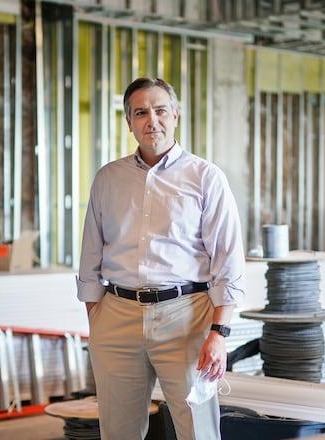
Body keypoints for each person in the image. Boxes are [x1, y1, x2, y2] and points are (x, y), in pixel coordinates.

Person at [76, 77, 246, 440]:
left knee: (197, 430)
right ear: (129, 122)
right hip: (117, 317)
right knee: (118, 432)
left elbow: (228, 261)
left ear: (176, 115)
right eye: (140, 113)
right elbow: (90, 254)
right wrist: (98, 319)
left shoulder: (206, 178)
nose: (151, 120)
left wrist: (219, 332)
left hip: (186, 317)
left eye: (160, 110)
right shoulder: (108, 179)